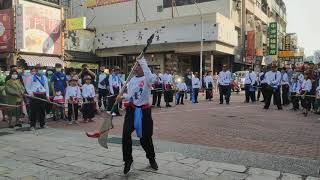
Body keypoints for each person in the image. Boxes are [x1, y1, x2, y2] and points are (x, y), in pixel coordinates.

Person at [116, 57, 158, 174]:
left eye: (137, 65)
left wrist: (143, 61)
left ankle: (151, 158)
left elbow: (150, 77)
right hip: (132, 110)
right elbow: (131, 96)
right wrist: (123, 97)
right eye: (134, 66)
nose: (134, 68)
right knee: (125, 134)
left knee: (146, 139)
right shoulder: (131, 80)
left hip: (144, 112)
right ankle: (128, 160)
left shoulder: (148, 78)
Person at [26, 64, 50, 131]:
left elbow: (46, 87)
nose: (40, 70)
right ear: (35, 70)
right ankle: (32, 125)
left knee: (42, 110)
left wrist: (47, 96)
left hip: (42, 95)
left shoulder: (44, 77)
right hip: (34, 95)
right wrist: (31, 94)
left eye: (41, 69)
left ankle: (42, 124)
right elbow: (27, 87)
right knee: (33, 111)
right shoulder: (30, 77)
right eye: (38, 69)